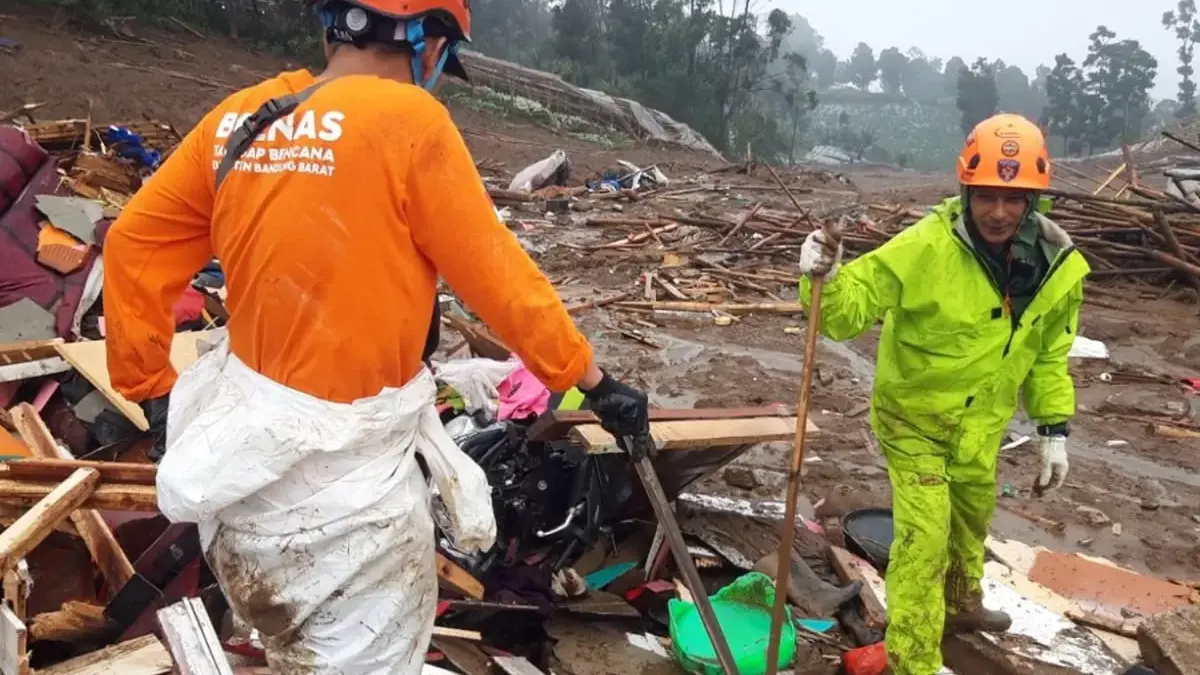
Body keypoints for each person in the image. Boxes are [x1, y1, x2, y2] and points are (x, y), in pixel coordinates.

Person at [101, 0, 649, 672]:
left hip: (238, 488)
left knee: (288, 651)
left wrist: (152, 391)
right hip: (352, 501)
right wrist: (594, 380)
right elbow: (500, 279)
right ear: (427, 44)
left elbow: (131, 245)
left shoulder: (242, 116)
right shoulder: (409, 121)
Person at [796, 113, 1087, 675]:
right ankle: (914, 661)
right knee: (924, 542)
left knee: (971, 519)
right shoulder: (926, 245)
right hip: (914, 421)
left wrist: (1054, 430)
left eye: (1013, 197)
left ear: (1034, 199)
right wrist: (823, 278)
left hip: (981, 428)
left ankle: (960, 604)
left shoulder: (1056, 268)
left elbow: (1049, 354)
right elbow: (846, 312)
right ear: (966, 190)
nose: (998, 212)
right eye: (986, 196)